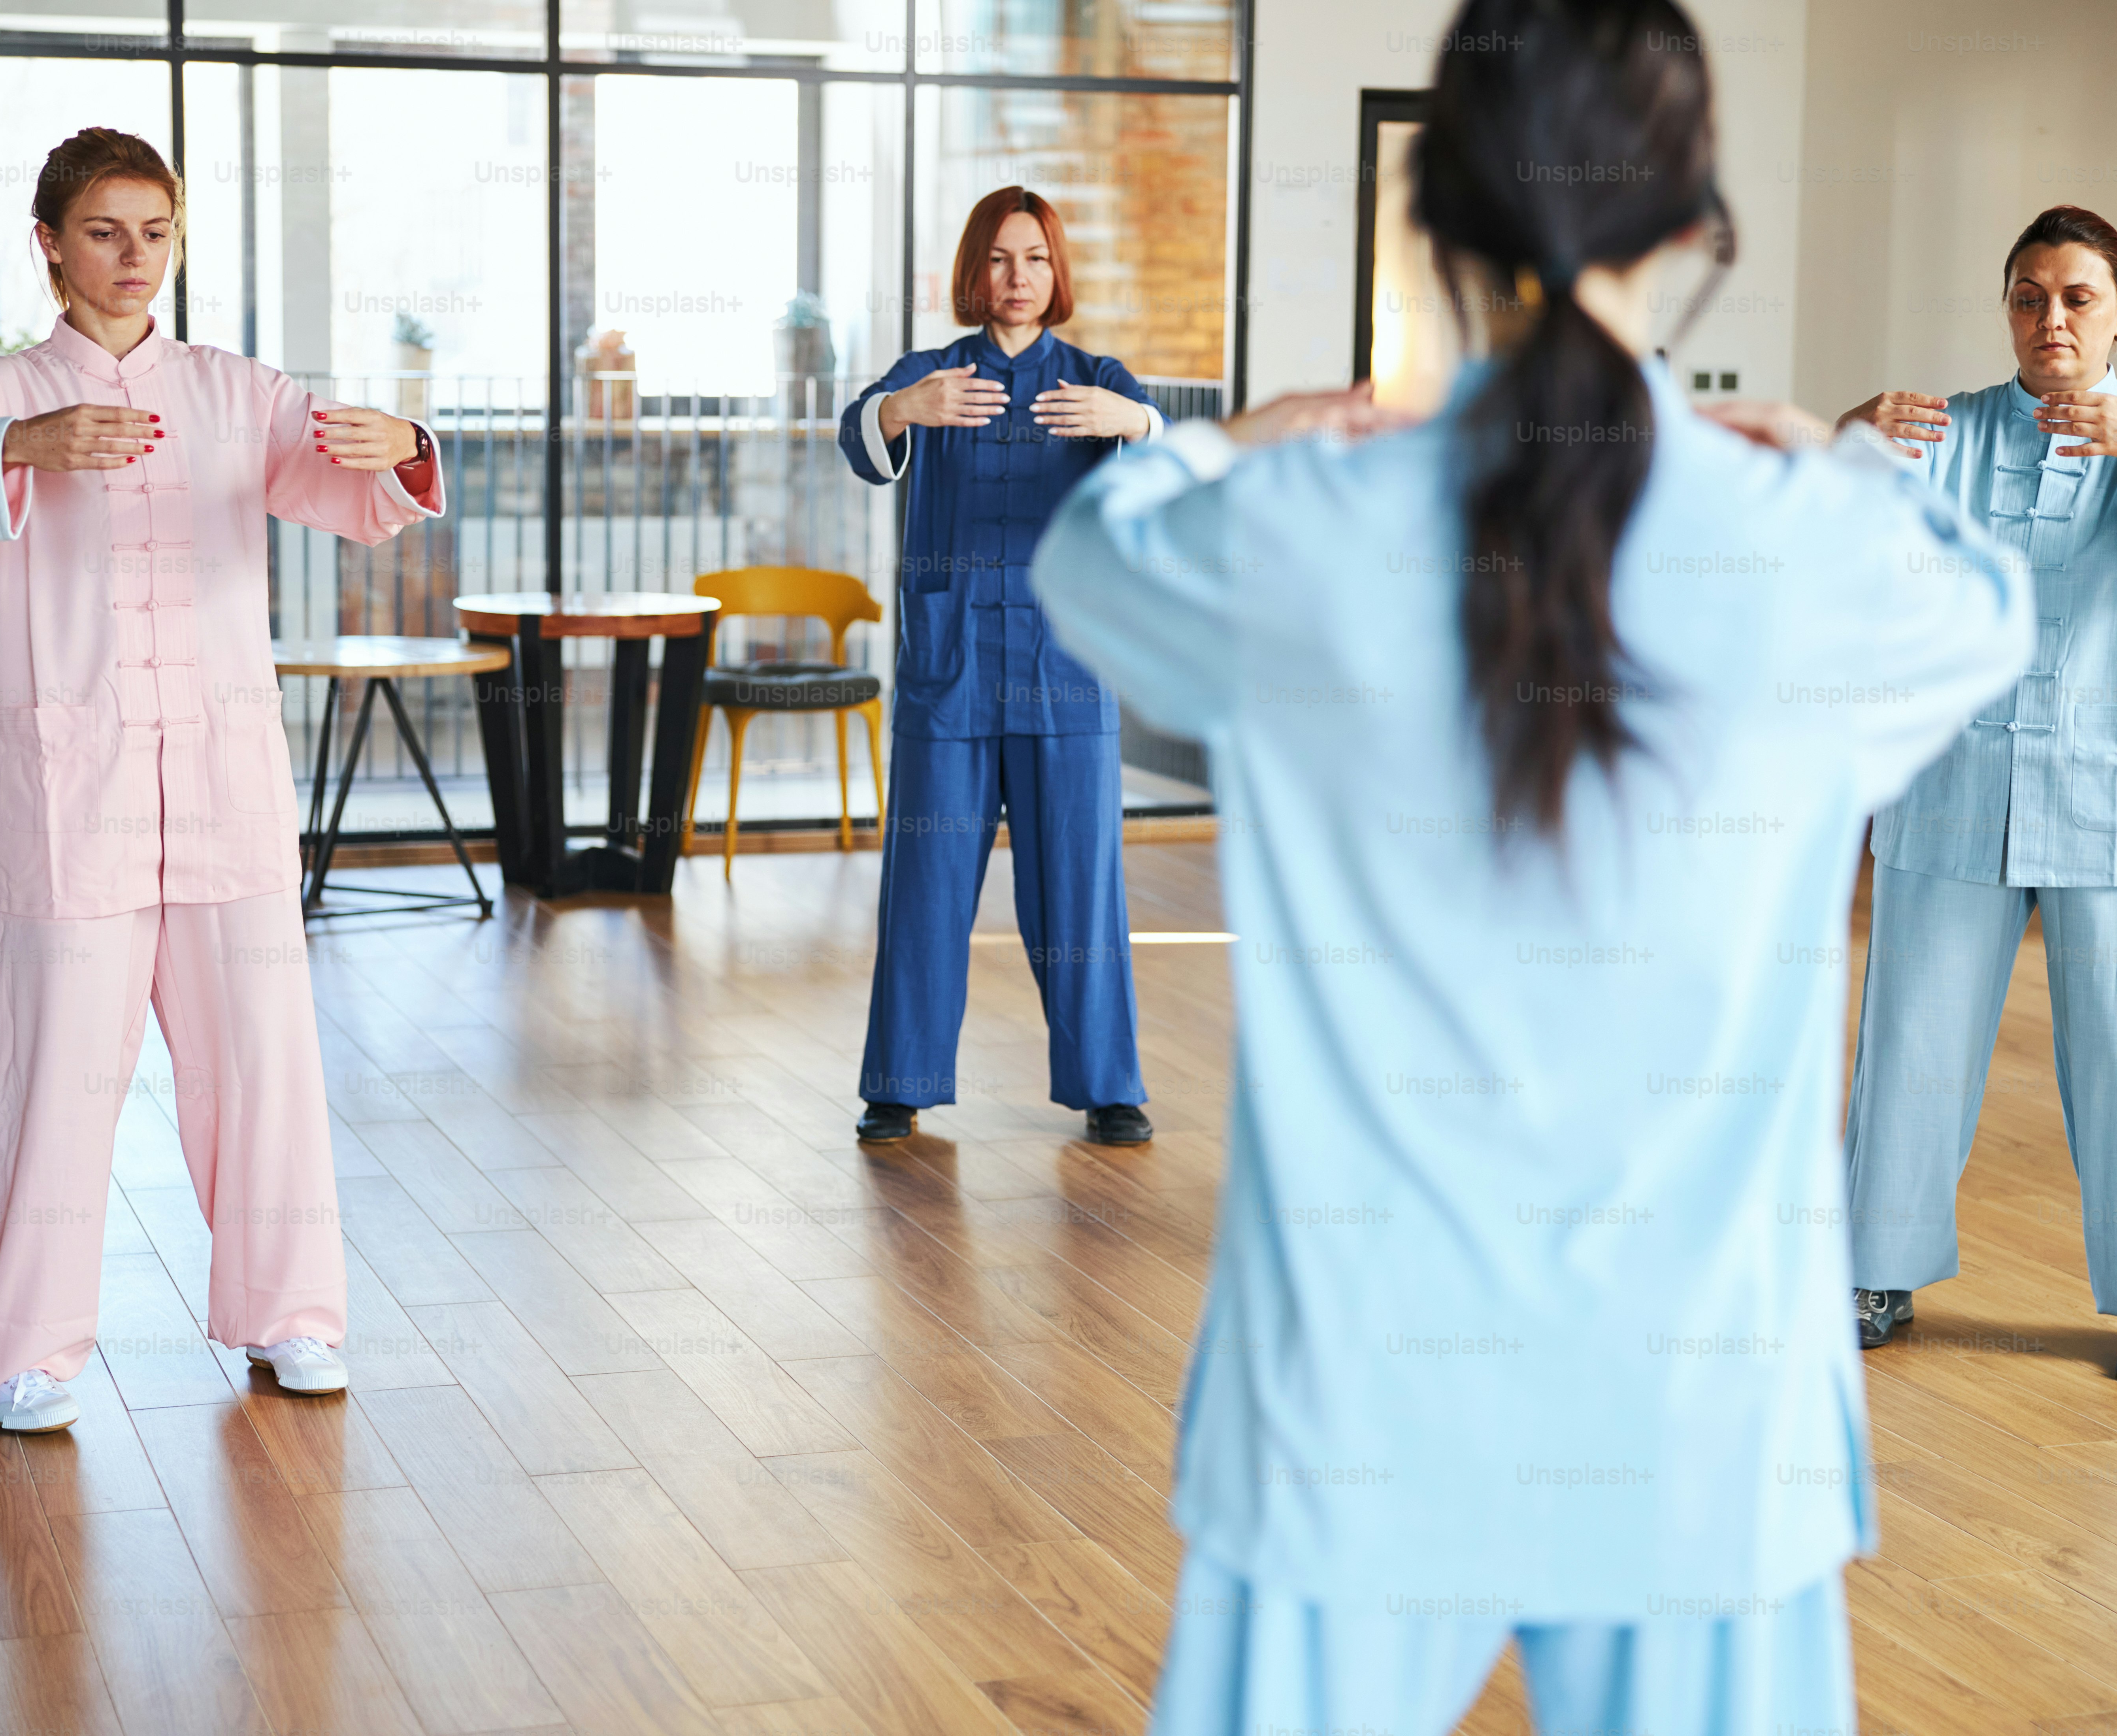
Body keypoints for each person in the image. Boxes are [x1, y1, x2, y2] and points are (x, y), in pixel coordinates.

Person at [1029, 1, 2033, 1728]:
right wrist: (1840, 458)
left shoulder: (1298, 537)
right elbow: (1989, 612)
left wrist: (1242, 436)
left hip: (1353, 1413)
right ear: (1695, 229)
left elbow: (1091, 561)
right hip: (1700, 1422)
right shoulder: (1814, 557)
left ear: (1437, 222)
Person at [0, 128, 444, 1432]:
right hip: (74, 792)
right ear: (51, 246)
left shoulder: (235, 389)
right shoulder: (1, 390)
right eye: (103, 233)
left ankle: (293, 1313)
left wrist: (402, 442)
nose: (133, 260)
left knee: (263, 1059)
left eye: (154, 233)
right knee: (60, 1069)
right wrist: (21, 447)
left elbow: (355, 493)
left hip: (225, 778)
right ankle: (29, 1346)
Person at [1837, 205, 2117, 1382]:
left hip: (2110, 803)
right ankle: (1872, 1271)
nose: (2050, 318)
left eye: (2077, 296)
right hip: (1951, 791)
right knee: (1909, 1043)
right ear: (2006, 309)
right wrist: (1839, 443)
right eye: (2028, 295)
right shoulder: (1943, 429)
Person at [839, 186, 1166, 1148]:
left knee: (1080, 885)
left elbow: (1169, 474)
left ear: (1056, 272)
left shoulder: (1098, 378)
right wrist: (905, 408)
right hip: (954, 669)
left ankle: (1109, 1085)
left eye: (1033, 259)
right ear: (973, 271)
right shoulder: (934, 372)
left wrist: (1134, 420)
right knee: (928, 881)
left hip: (1067, 669)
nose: (1015, 278)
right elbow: (859, 438)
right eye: (997, 259)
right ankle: (898, 1084)